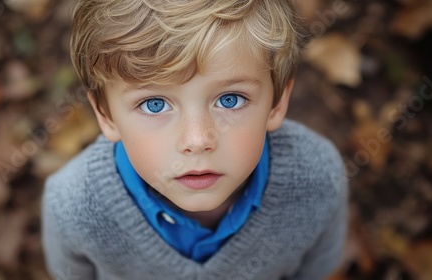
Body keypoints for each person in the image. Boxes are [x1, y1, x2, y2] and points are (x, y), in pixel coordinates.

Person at [41, 0, 348, 279]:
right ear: (106, 115)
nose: (198, 140)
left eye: (230, 100)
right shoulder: (75, 207)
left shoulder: (316, 179)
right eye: (155, 104)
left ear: (277, 102)